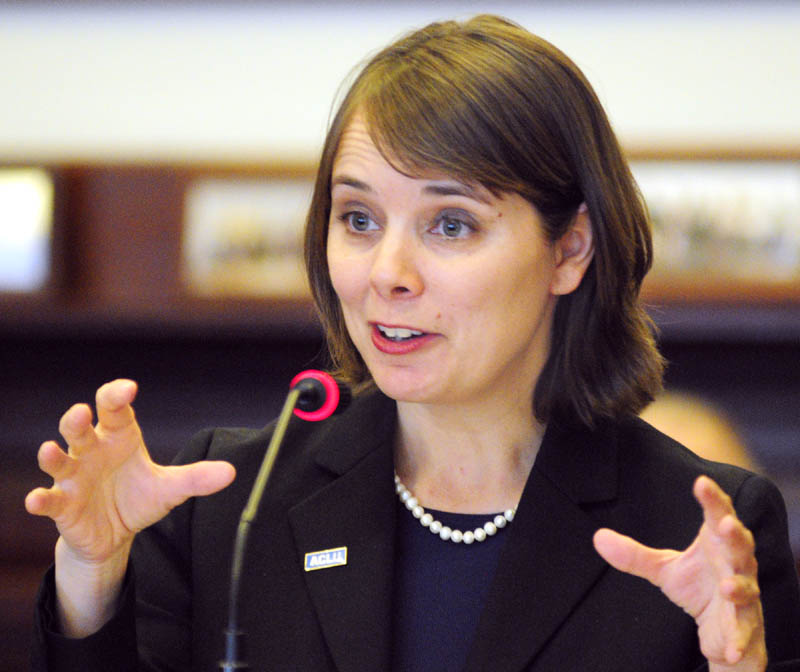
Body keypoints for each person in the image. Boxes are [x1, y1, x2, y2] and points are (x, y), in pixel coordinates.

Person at [26, 14, 800, 672]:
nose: (387, 273)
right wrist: (92, 574)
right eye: (358, 219)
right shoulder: (229, 505)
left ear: (569, 250)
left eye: (450, 224)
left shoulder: (700, 529)